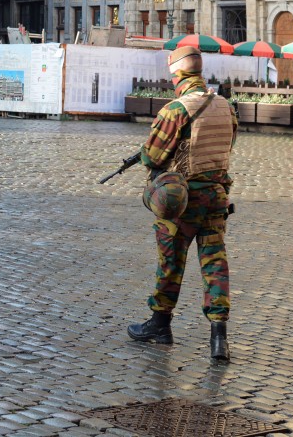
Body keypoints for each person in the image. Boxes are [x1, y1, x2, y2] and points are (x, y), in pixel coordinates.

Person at [128, 46, 238, 363]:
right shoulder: (225, 107)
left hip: (183, 200)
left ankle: (160, 324)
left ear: (177, 74)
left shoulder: (175, 110)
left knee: (171, 262)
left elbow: (153, 156)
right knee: (215, 264)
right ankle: (219, 337)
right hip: (217, 197)